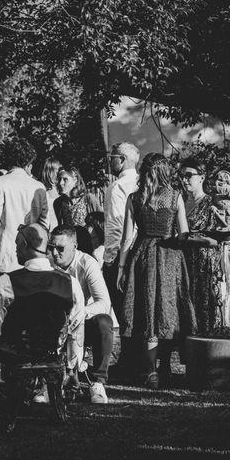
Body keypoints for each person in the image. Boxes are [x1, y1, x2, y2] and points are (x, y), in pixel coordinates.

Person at [117, 153, 196, 388]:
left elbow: (126, 239)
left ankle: (150, 371)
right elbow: (184, 233)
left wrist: (121, 267)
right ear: (165, 172)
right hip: (170, 256)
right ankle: (165, 366)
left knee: (147, 310)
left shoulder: (134, 198)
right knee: (167, 310)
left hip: (142, 255)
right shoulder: (176, 197)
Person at [0, 223, 86, 387]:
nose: (15, 251)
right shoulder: (71, 283)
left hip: (16, 352)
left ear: (23, 245)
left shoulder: (7, 282)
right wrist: (71, 367)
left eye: (16, 246)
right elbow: (75, 328)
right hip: (53, 350)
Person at [49, 225, 115, 404]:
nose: (54, 253)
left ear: (74, 247)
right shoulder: (47, 263)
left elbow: (104, 303)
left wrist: (79, 313)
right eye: (51, 247)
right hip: (53, 325)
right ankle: (45, 381)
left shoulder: (87, 263)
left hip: (84, 324)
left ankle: (98, 382)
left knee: (104, 322)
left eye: (60, 249)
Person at [179, 160, 230, 335]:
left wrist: (193, 239)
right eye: (181, 176)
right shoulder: (178, 202)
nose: (184, 180)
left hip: (205, 265)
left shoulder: (213, 204)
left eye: (188, 175)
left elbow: (224, 237)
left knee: (205, 309)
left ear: (201, 177)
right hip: (182, 263)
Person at [0, 138, 48, 278]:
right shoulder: (39, 187)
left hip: (5, 255)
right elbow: (44, 225)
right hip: (33, 256)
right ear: (28, 162)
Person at [103, 142, 139, 322]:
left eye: (112, 158)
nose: (109, 161)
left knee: (121, 306)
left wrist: (109, 259)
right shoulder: (141, 182)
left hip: (120, 253)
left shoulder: (117, 186)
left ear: (123, 160)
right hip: (139, 249)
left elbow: (115, 225)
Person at [40, 158, 62, 231]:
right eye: (58, 171)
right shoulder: (44, 193)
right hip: (51, 230)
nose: (60, 173)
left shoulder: (61, 190)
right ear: (50, 172)